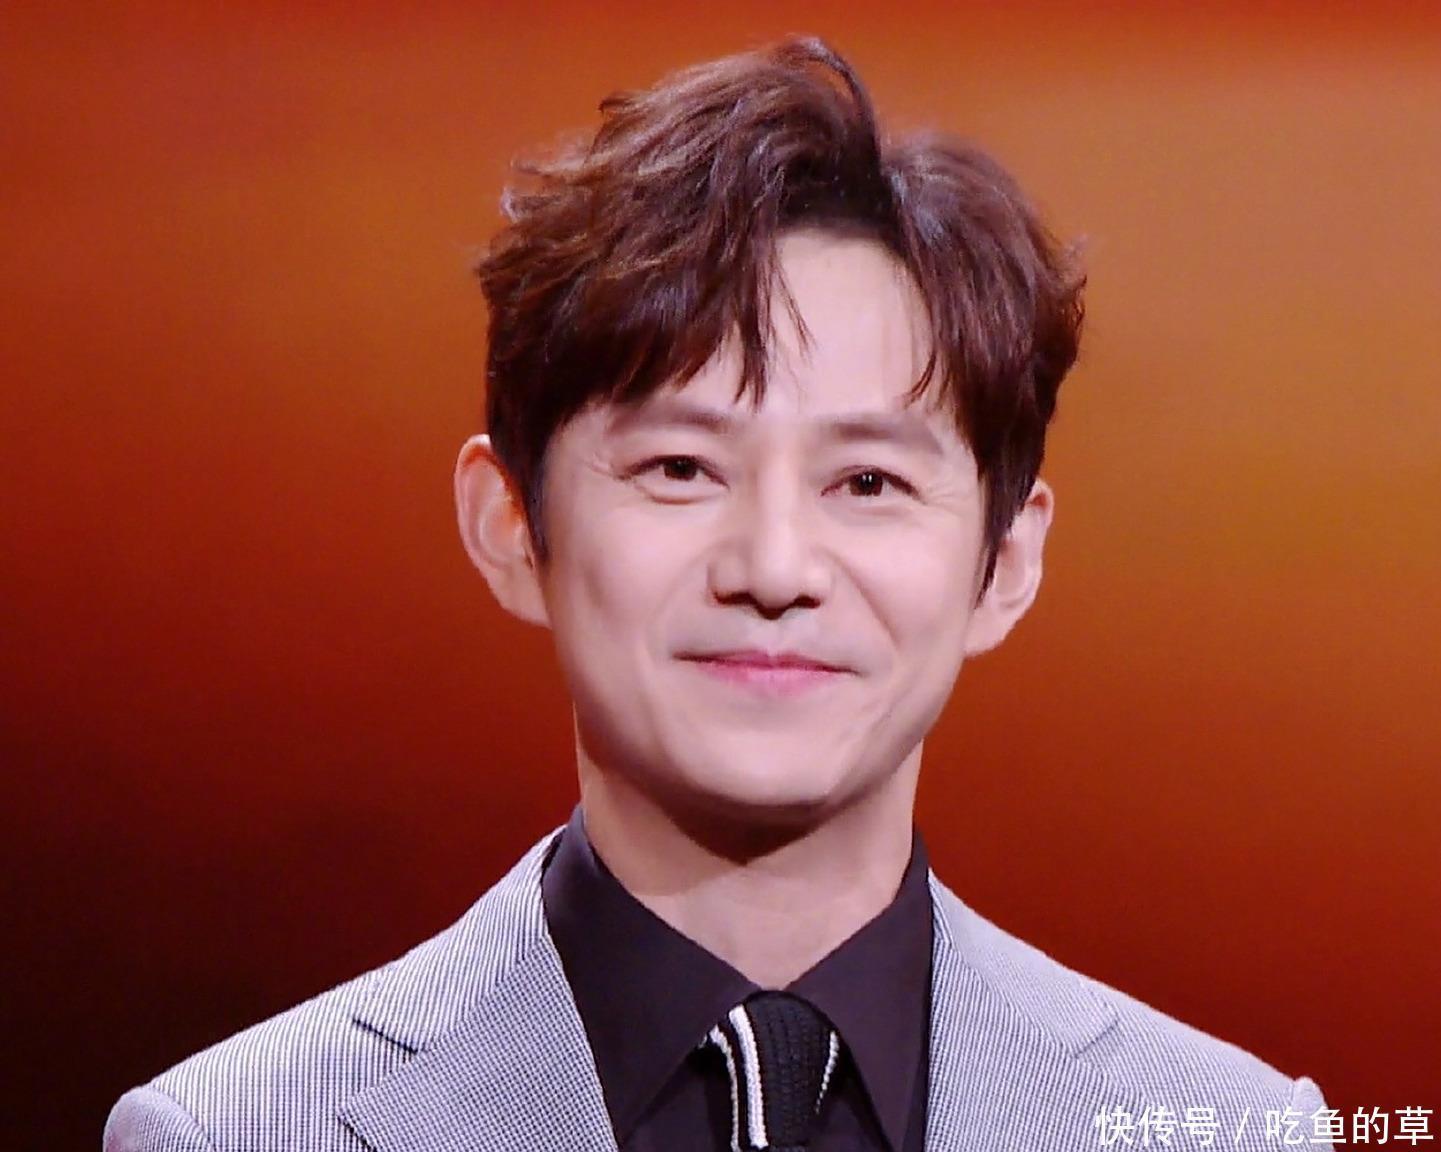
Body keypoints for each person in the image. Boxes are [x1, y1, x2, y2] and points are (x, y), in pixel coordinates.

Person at [105, 36, 1331, 1152]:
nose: (774, 570)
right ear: (511, 524)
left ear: (1005, 562)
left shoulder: (1230, 1134)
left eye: (866, 482)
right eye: (681, 469)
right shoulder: (233, 1134)